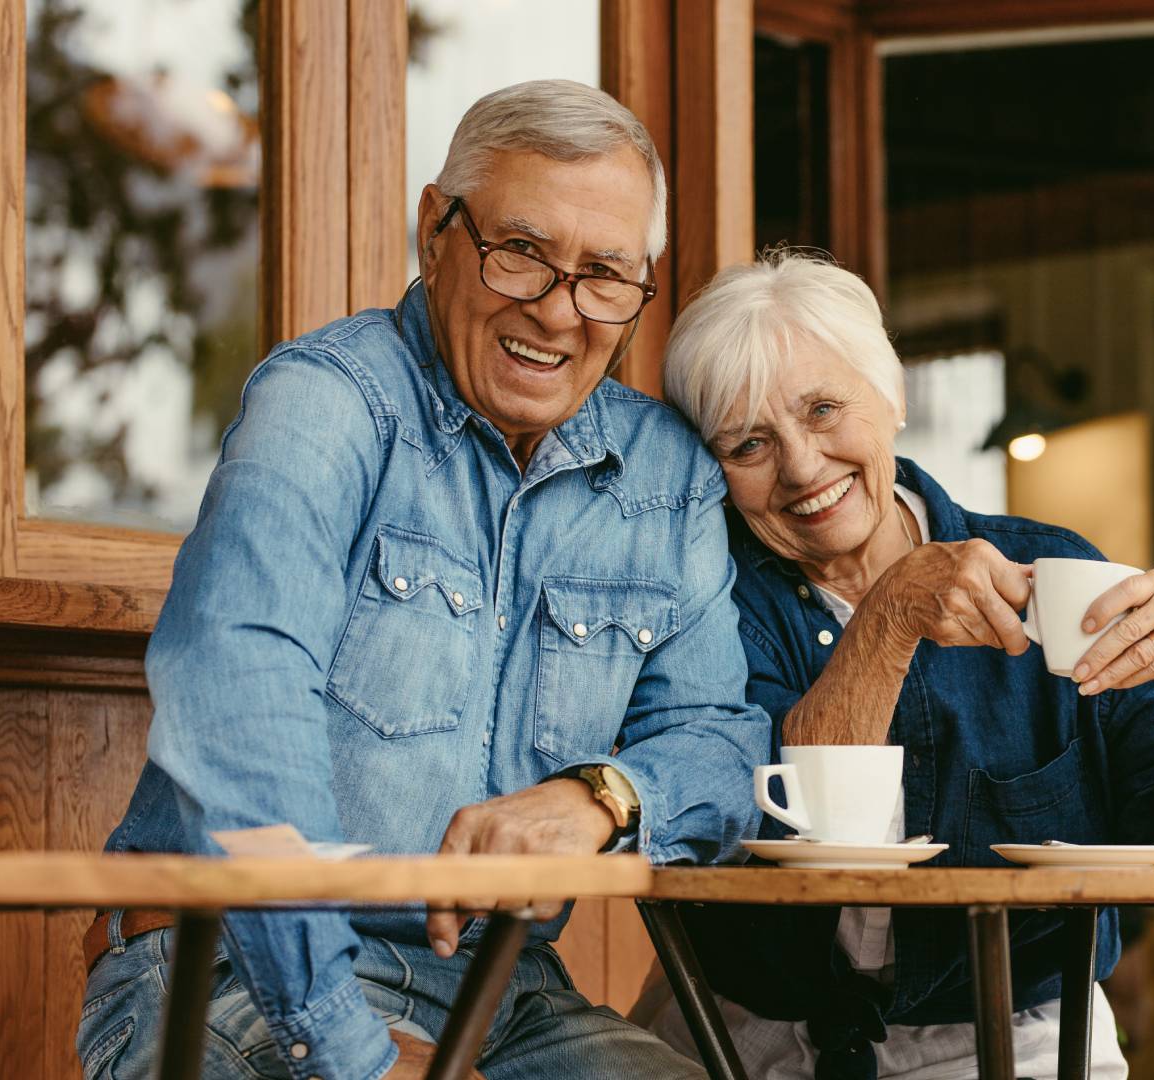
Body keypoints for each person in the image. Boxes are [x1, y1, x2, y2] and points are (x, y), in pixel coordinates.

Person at [74, 80, 766, 1080]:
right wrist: (348, 1051)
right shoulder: (323, 409)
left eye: (606, 275)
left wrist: (605, 795)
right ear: (435, 231)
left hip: (501, 994)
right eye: (522, 252)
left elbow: (722, 741)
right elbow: (240, 714)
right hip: (225, 966)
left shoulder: (666, 478)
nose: (560, 312)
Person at [638, 250, 1154, 1080]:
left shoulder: (1052, 574)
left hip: (1020, 1032)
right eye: (749, 444)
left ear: (892, 399)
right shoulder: (703, 604)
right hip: (750, 1036)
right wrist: (889, 616)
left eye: (823, 409)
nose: (803, 467)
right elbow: (794, 829)